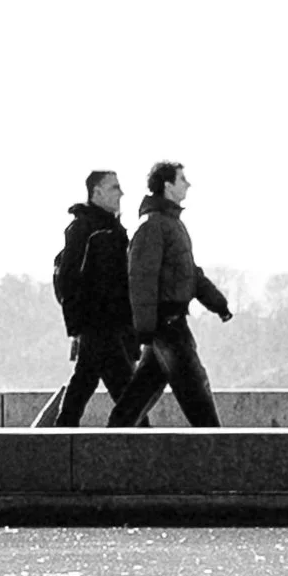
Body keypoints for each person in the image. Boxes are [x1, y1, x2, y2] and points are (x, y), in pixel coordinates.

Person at [108, 161, 234, 427]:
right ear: (167, 185)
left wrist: (218, 304)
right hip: (167, 327)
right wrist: (144, 331)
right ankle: (220, 454)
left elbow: (190, 274)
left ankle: (103, 447)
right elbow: (142, 281)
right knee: (197, 397)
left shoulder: (170, 224)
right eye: (182, 179)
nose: (187, 184)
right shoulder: (153, 226)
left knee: (136, 399)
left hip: (166, 326)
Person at [49, 170, 141, 426]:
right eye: (114, 187)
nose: (120, 193)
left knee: (85, 380)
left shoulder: (111, 229)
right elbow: (69, 279)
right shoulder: (85, 229)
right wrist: (78, 325)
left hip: (110, 325)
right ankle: (144, 440)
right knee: (127, 391)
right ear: (96, 192)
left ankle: (60, 436)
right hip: (100, 325)